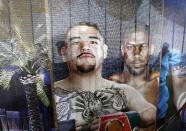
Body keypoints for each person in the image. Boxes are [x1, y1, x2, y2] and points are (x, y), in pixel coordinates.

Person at [54, 22, 156, 131]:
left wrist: (115, 120)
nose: (85, 47)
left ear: (105, 51)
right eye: (75, 42)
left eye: (93, 42)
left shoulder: (123, 91)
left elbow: (151, 113)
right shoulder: (51, 94)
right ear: (64, 53)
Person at [108, 25, 159, 130]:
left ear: (151, 49)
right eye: (130, 47)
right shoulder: (110, 84)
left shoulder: (159, 81)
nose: (136, 53)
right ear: (122, 49)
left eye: (143, 46)